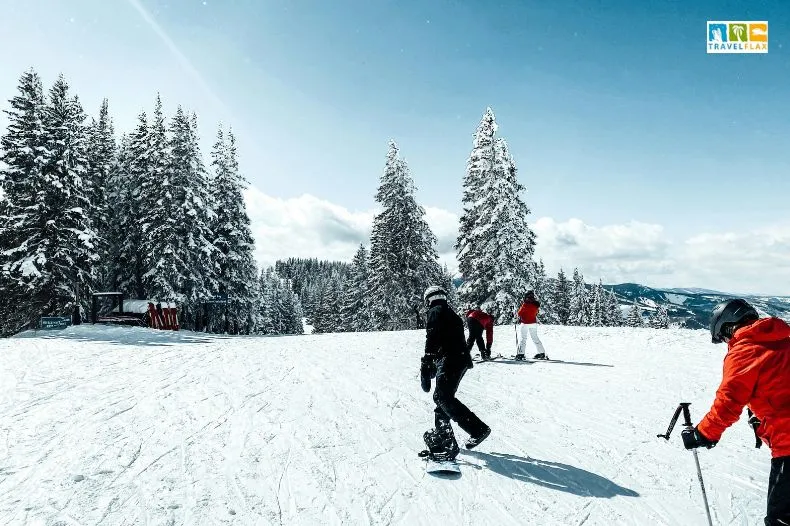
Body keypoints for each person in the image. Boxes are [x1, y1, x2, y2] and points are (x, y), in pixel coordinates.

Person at [681, 298, 790, 525]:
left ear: (728, 326)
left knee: (781, 520)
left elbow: (728, 401)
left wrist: (703, 433)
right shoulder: (783, 339)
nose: (726, 342)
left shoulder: (745, 350)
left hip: (787, 442)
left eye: (723, 337)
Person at [420, 285, 491, 461]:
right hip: (457, 359)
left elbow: (432, 335)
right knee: (442, 397)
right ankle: (443, 435)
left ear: (429, 299)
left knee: (442, 397)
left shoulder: (435, 311)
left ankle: (477, 429)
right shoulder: (447, 312)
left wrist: (427, 359)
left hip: (451, 360)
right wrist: (433, 360)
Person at [515, 290, 548, 360]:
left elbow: (519, 313)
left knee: (523, 339)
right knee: (535, 338)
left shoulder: (525, 304)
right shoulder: (536, 304)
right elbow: (536, 313)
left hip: (525, 323)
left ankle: (521, 354)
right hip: (533, 323)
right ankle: (541, 353)